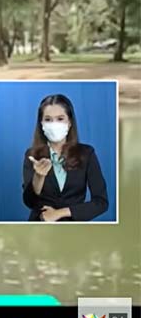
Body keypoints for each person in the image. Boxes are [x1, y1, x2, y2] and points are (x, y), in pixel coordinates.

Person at [23, 94, 108, 222]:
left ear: (69, 122)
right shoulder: (32, 155)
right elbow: (29, 202)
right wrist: (38, 177)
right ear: (41, 124)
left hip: (73, 229)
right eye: (48, 119)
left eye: (60, 119)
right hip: (40, 227)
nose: (54, 124)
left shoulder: (86, 154)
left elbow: (101, 202)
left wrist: (60, 213)